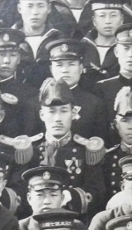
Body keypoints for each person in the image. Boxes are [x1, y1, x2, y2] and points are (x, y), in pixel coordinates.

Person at [26, 78, 106, 216]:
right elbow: (22, 190)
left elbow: (97, 191)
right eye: (51, 111)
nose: (57, 118)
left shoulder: (86, 150)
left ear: (73, 113)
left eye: (63, 111)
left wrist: (70, 196)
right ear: (41, 115)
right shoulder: (30, 149)